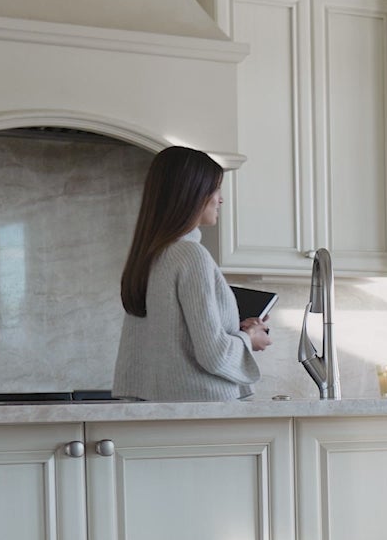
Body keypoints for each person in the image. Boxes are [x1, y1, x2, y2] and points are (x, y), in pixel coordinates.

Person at [112, 146, 271, 401]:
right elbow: (214, 355)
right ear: (193, 194)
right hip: (201, 411)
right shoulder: (191, 255)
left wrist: (238, 329)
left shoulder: (150, 255)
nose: (221, 200)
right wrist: (249, 339)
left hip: (154, 412)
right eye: (216, 189)